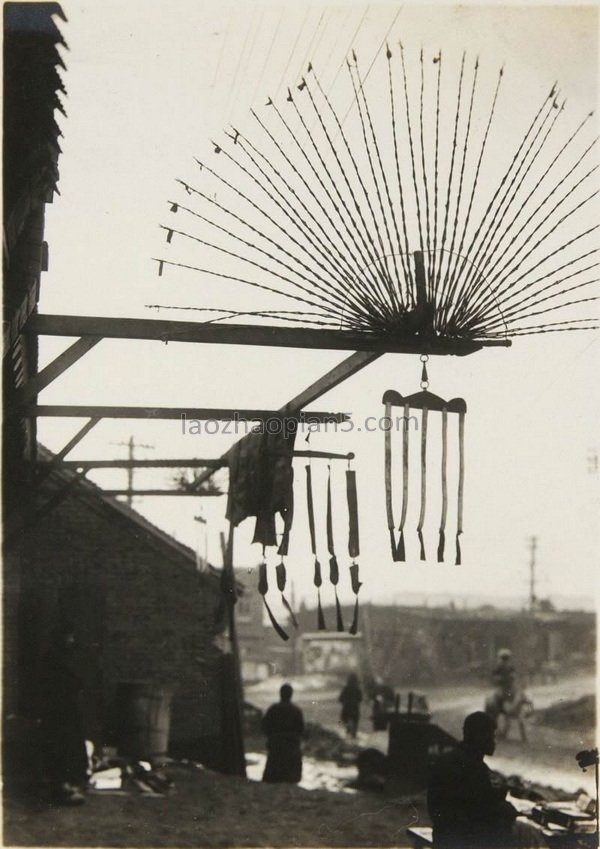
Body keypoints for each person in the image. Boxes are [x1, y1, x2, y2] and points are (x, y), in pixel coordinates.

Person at [427, 711, 518, 848]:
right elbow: (484, 810)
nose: (494, 742)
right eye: (491, 737)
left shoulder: (449, 759)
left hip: (443, 835)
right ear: (479, 737)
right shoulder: (474, 767)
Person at [38, 628, 88, 804]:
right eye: (68, 640)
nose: (70, 644)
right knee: (62, 748)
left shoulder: (64, 660)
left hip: (67, 712)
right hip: (57, 713)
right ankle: (62, 786)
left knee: (70, 747)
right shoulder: (53, 661)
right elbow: (56, 685)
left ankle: (68, 784)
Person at [261, 683, 304, 784]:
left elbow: (264, 726)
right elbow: (301, 729)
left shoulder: (273, 709)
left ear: (280, 694)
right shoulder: (296, 711)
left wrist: (271, 738)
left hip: (276, 744)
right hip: (291, 745)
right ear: (291, 695)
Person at [338, 673, 362, 738]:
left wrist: (344, 702)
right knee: (355, 720)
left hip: (346, 707)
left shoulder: (345, 689)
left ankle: (348, 729)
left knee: (344, 719)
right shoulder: (357, 689)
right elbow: (360, 699)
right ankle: (354, 733)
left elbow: (340, 698)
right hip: (355, 707)